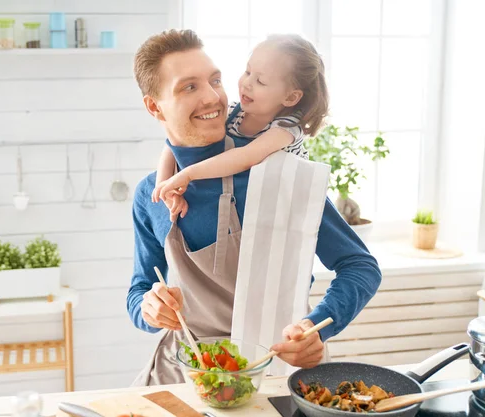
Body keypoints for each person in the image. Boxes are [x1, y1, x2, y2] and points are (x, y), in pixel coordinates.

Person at [126, 29, 381, 386]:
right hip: (181, 374)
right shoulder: (150, 194)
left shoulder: (281, 175)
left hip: (273, 369)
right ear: (155, 107)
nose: (214, 96)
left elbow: (360, 267)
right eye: (189, 87)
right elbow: (139, 290)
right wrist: (148, 308)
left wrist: (316, 328)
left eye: (215, 79)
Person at [152, 34, 320, 218]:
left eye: (261, 81)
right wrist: (166, 186)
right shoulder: (234, 111)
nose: (247, 84)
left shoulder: (287, 128)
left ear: (290, 97)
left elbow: (245, 157)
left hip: (286, 210)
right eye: (248, 72)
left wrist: (188, 174)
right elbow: (173, 143)